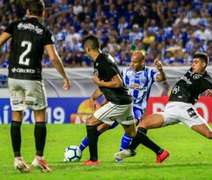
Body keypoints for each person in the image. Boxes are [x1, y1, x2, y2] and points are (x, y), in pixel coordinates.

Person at [0, 1, 70, 172]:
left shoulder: (15, 25)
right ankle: (39, 158)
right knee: (39, 116)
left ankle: (17, 158)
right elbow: (53, 57)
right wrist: (65, 76)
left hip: (14, 76)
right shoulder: (44, 31)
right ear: (43, 13)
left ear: (27, 11)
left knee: (17, 115)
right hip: (31, 77)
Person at [115, 52, 212, 162]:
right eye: (193, 62)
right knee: (144, 123)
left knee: (209, 135)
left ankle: (131, 149)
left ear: (204, 64)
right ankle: (143, 151)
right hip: (170, 109)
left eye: (196, 62)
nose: (193, 64)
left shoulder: (206, 79)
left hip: (185, 108)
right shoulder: (191, 70)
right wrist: (161, 67)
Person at [79, 50, 167, 162]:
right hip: (120, 103)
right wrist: (105, 99)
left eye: (135, 62)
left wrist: (160, 69)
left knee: (131, 129)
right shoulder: (124, 72)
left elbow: (161, 78)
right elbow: (115, 86)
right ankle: (80, 149)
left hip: (137, 107)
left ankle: (119, 159)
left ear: (142, 62)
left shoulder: (149, 72)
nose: (132, 64)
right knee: (102, 127)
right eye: (131, 61)